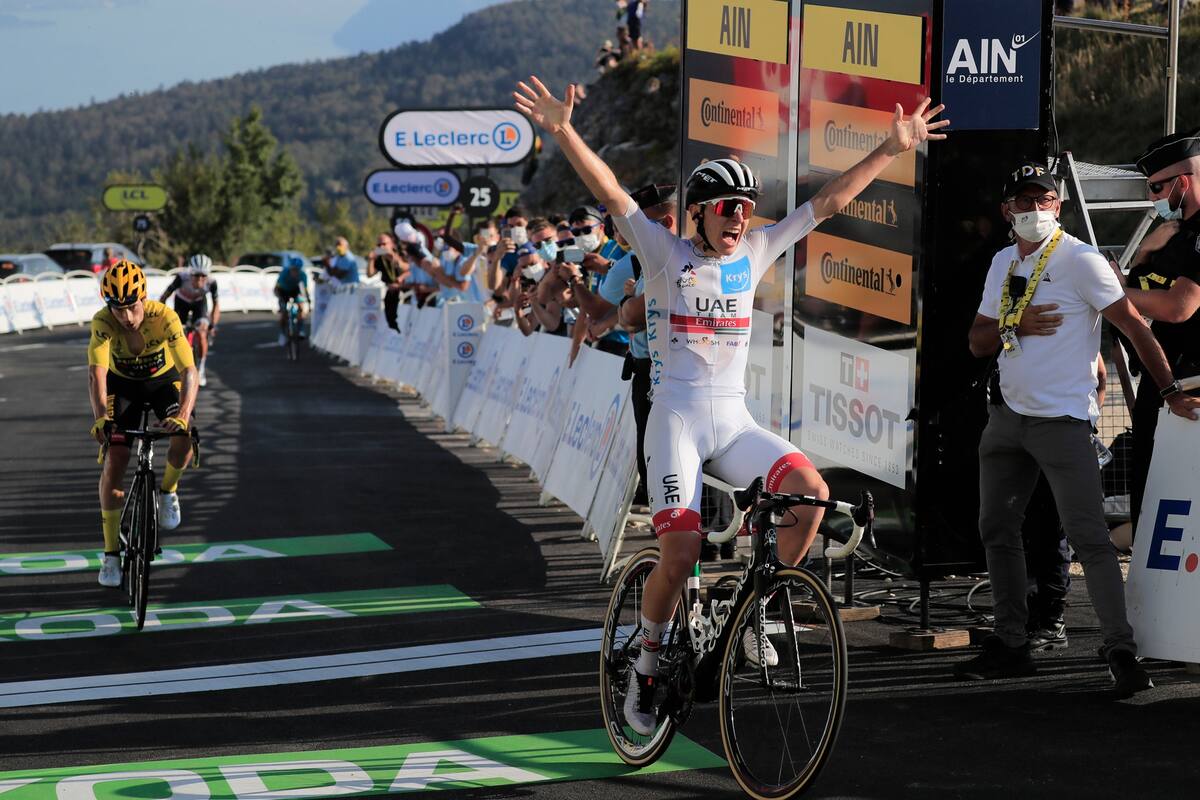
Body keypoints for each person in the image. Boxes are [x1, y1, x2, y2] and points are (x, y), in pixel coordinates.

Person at [515, 74, 947, 734]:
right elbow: (610, 191)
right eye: (725, 208)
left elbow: (827, 203)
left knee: (809, 493)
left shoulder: (756, 248)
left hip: (734, 420)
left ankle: (753, 615)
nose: (739, 217)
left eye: (745, 207)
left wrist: (891, 148)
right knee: (682, 552)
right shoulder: (661, 254)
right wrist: (564, 130)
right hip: (677, 422)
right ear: (698, 214)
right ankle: (650, 657)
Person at [960, 161, 1200, 696]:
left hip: (1063, 424)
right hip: (1007, 418)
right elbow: (977, 341)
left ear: (1059, 207)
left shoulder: (1081, 260)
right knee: (997, 530)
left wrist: (1168, 392)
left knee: (1090, 537)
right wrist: (1012, 323)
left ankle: (1120, 648)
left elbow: (1135, 329)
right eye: (1024, 201)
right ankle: (1012, 644)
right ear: (1007, 211)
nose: (1035, 209)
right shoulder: (1002, 261)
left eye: (1045, 200)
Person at [88, 261, 198, 587]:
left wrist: (182, 415)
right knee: (116, 459)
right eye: (117, 308)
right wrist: (101, 419)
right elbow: (96, 373)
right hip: (122, 387)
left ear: (143, 298)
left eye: (131, 306)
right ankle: (110, 554)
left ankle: (168, 490)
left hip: (162, 381)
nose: (126, 316)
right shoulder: (103, 322)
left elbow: (189, 371)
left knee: (184, 435)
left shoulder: (164, 316)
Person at [1115, 129, 1200, 532]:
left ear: (1182, 182)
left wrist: (1116, 292)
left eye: (1156, 187)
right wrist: (1145, 254)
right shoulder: (1173, 233)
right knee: (1151, 483)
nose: (1152, 198)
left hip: (1191, 380)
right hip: (1162, 372)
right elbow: (1147, 287)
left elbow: (1180, 306)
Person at [604, 183, 676, 508]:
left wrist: (630, 303)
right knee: (652, 452)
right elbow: (630, 316)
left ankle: (679, 533)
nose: (636, 235)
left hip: (665, 374)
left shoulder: (673, 259)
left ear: (667, 223)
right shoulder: (647, 260)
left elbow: (634, 316)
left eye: (643, 226)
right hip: (648, 368)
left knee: (664, 455)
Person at [159, 254, 220, 387]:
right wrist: (160, 317)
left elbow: (216, 305)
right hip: (182, 303)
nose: (200, 279)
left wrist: (213, 325)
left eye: (203, 276)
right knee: (177, 334)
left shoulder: (212, 282)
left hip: (199, 304)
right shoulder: (181, 277)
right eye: (196, 275)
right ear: (190, 273)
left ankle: (201, 368)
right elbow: (164, 297)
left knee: (202, 332)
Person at [367, 232, 409, 329]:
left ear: (392, 244)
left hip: (406, 291)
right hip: (391, 292)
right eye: (379, 245)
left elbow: (409, 268)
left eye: (384, 244)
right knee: (391, 320)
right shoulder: (380, 259)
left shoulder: (401, 253)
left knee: (404, 320)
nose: (381, 247)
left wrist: (393, 258)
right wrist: (371, 260)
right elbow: (370, 274)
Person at [274, 255, 310, 344]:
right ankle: (282, 334)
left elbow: (304, 290)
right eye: (293, 269)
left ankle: (301, 330)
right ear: (290, 268)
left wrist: (307, 300)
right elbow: (277, 289)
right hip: (283, 291)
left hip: (295, 290)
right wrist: (281, 301)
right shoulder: (284, 273)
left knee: (301, 307)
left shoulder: (302, 275)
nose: (295, 272)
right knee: (283, 313)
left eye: (297, 270)